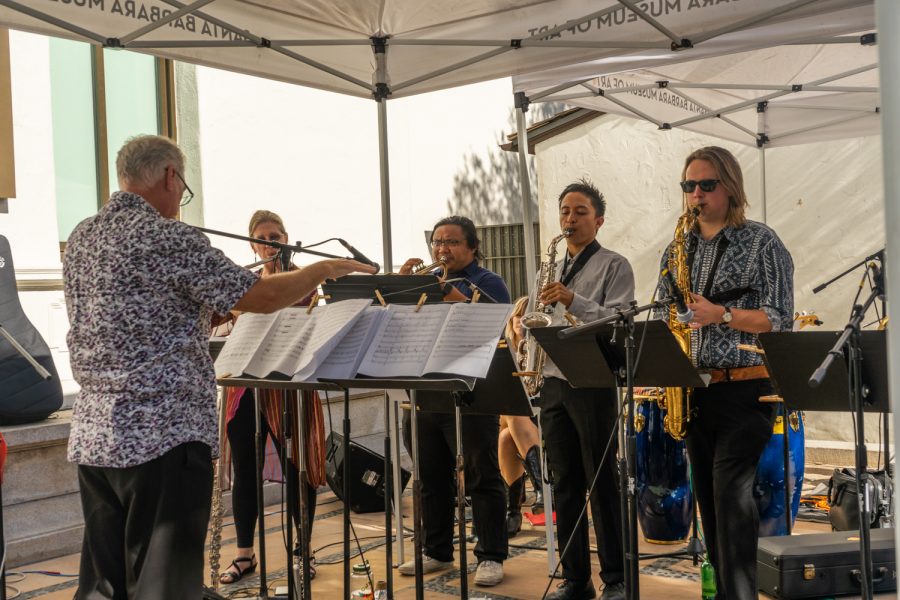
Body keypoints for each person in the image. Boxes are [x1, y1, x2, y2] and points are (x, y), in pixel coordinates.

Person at [63, 134, 374, 599]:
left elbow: (136, 312)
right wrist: (321, 271)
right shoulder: (170, 237)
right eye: (182, 187)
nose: (180, 199)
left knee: (106, 585)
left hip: (94, 438)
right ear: (170, 176)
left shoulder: (82, 236)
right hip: (162, 436)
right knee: (163, 585)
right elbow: (263, 297)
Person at [655, 146, 793, 599]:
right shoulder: (679, 248)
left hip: (747, 387)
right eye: (689, 186)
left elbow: (778, 318)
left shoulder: (762, 241)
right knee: (711, 506)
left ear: (730, 187)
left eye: (707, 185)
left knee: (732, 499)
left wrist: (723, 315)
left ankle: (740, 594)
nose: (696, 194)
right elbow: (663, 311)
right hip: (695, 390)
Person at [531, 180, 633, 600]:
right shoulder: (550, 268)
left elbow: (621, 320)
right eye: (565, 212)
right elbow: (544, 319)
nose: (569, 219)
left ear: (599, 220)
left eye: (580, 212)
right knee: (564, 483)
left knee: (602, 482)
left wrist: (574, 300)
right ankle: (576, 580)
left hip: (593, 382)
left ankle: (616, 579)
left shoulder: (615, 264)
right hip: (554, 381)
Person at [397, 215, 511, 587]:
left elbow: (494, 327)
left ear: (473, 247)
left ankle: (491, 554)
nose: (442, 250)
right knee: (430, 476)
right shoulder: (425, 284)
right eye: (436, 243)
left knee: (482, 473)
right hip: (426, 388)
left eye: (451, 243)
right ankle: (436, 550)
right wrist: (399, 288)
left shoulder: (488, 281)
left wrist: (451, 294)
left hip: (472, 389)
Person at [217, 210, 327, 584]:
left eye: (275, 236)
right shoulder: (242, 282)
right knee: (245, 473)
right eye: (262, 237)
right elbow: (216, 318)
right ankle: (244, 555)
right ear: (252, 244)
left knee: (299, 471)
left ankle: (303, 552)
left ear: (287, 239)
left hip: (290, 387)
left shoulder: (304, 283)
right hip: (245, 389)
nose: (269, 242)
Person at [501, 296, 545, 537]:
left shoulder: (538, 350)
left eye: (526, 317)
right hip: (508, 414)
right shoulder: (504, 348)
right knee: (510, 412)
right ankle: (542, 489)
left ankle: (512, 510)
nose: (520, 321)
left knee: (506, 437)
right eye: (518, 315)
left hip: (535, 418)